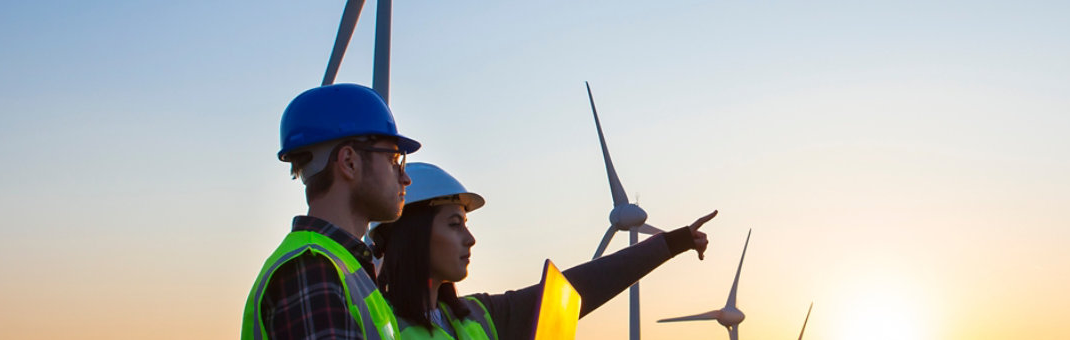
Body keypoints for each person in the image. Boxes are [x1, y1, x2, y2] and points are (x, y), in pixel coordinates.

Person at [371, 162, 717, 340]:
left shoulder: (476, 317)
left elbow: (580, 288)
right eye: (454, 224)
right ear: (413, 237)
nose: (470, 238)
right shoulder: (372, 325)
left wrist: (672, 243)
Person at [241, 83, 419, 340]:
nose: (405, 178)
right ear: (349, 162)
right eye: (393, 160)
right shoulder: (311, 270)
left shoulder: (342, 267)